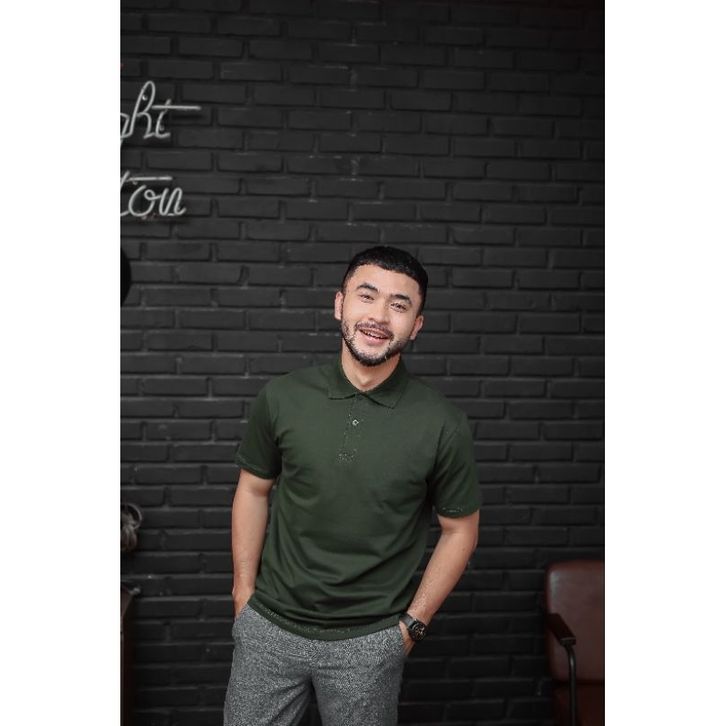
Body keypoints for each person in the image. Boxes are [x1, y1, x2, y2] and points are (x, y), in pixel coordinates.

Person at [223, 246, 481, 726]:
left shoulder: (443, 423)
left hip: (370, 641)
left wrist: (412, 626)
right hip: (269, 628)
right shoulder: (282, 397)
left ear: (416, 325)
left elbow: (460, 530)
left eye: (399, 305)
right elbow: (253, 490)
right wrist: (244, 594)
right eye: (367, 296)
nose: (379, 316)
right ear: (339, 304)